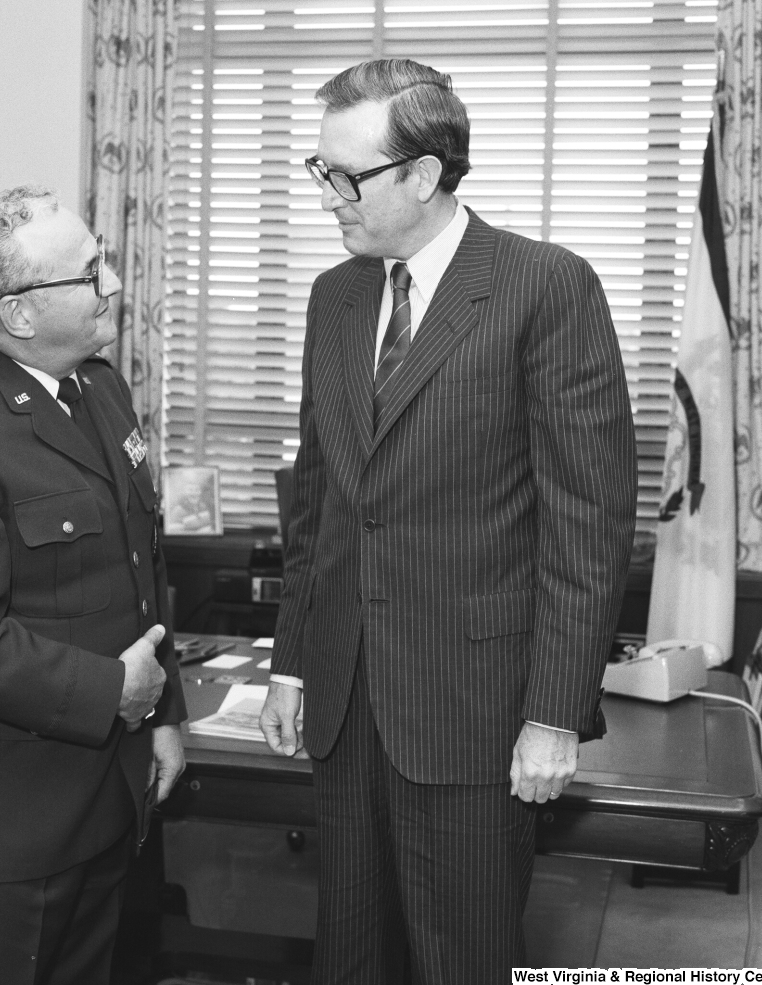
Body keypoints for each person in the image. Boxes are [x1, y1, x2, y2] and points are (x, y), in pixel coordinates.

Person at [259, 60, 637, 984]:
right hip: (346, 702)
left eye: (345, 177)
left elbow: (587, 522)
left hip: (476, 710)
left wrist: (555, 711)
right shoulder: (335, 296)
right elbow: (320, 503)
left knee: (460, 958)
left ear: (422, 175)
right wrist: (294, 658)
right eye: (321, 172)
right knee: (350, 956)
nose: (328, 198)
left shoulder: (543, 286)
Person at [0, 185, 186, 985]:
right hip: (8, 825)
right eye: (90, 273)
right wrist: (115, 690)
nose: (113, 284)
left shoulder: (99, 388)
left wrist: (161, 715)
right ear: (20, 313)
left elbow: (139, 571)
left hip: (110, 796)